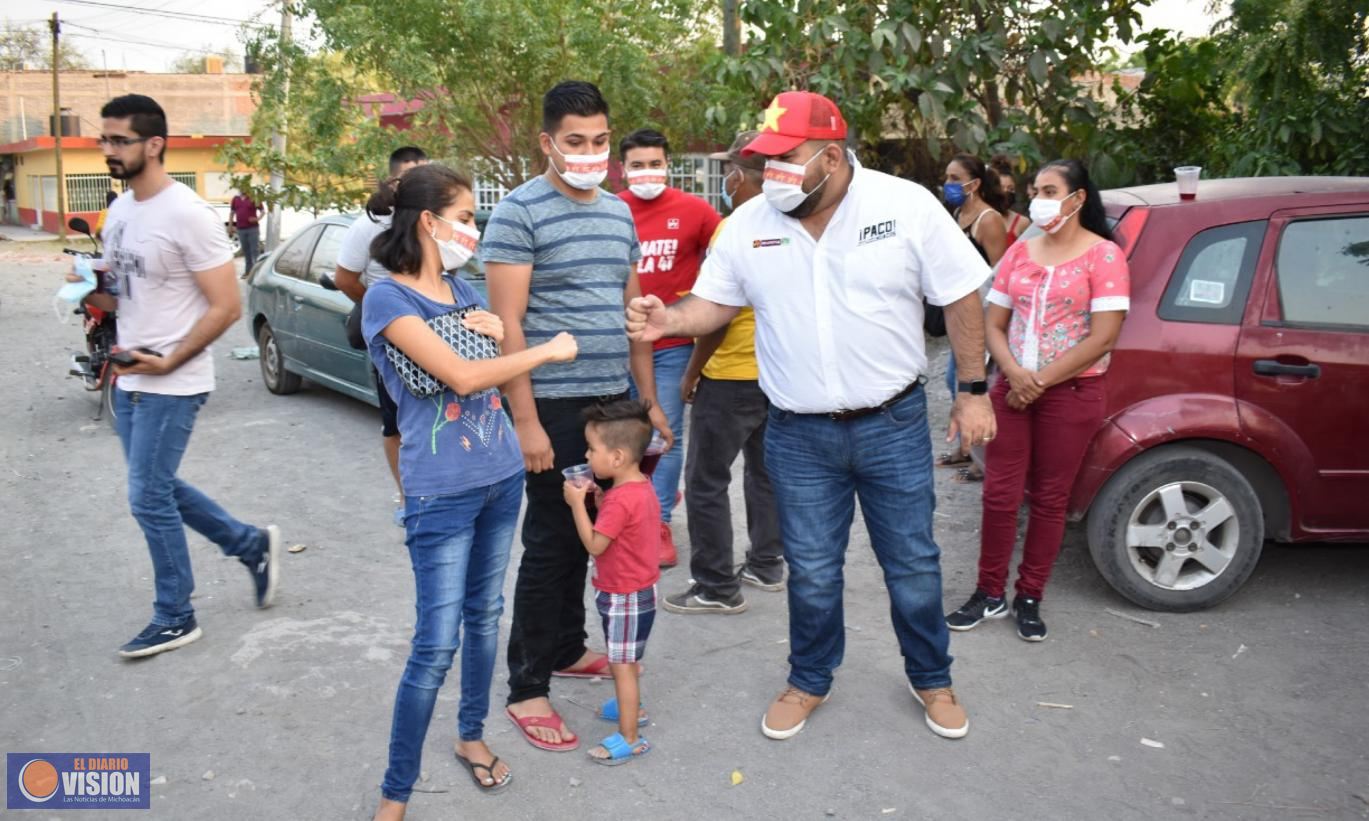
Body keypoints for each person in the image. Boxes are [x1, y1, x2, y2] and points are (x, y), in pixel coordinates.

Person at [627, 91, 997, 742]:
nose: (770, 173)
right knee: (812, 567)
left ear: (830, 156)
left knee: (911, 560)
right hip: (796, 432)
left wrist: (970, 388)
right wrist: (669, 318)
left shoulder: (902, 205)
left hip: (892, 422)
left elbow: (960, 293)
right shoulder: (748, 223)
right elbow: (711, 303)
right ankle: (809, 678)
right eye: (762, 160)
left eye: (784, 159)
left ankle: (931, 676)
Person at [363, 164, 578, 819]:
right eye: (464, 216)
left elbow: (484, 358)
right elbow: (460, 376)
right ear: (429, 222)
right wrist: (540, 351)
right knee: (434, 644)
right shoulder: (388, 299)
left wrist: (494, 337)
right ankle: (394, 795)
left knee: (484, 618)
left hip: (498, 477)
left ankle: (471, 735)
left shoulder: (460, 288)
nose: (472, 229)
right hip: (442, 493)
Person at [483, 80, 671, 753]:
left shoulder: (619, 212)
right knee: (554, 542)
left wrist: (646, 402)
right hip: (554, 408)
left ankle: (565, 646)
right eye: (575, 143)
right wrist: (526, 420)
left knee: (599, 533)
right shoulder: (517, 212)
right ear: (546, 142)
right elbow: (508, 323)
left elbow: (634, 312)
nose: (590, 154)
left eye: (599, 142)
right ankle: (526, 686)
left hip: (610, 402)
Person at [82, 94, 281, 658]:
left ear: (154, 144)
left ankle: (175, 613)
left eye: (119, 140)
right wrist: (88, 291)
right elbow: (125, 291)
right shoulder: (121, 211)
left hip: (175, 379)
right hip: (131, 374)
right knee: (160, 488)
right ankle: (250, 546)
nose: (108, 150)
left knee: (146, 497)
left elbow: (225, 306)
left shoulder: (187, 213)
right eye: (104, 139)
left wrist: (171, 359)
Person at [946, 159, 1129, 642]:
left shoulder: (1104, 256)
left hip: (1071, 391)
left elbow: (1104, 336)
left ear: (1078, 199)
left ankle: (1030, 595)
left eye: (1050, 190)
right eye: (1035, 190)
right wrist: (1012, 374)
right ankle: (989, 593)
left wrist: (1040, 380)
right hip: (1013, 387)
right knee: (1000, 494)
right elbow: (993, 322)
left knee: (1049, 500)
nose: (1039, 198)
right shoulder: (1020, 254)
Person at [665, 130, 784, 615]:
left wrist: (693, 371)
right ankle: (767, 562)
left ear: (740, 176)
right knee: (764, 473)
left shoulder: (734, 229)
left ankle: (715, 585)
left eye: (729, 171)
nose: (725, 180)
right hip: (777, 373)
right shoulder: (795, 225)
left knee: (706, 480)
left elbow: (717, 312)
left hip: (731, 373)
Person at [617, 128, 723, 567]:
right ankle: (622, 512)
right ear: (621, 169)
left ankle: (656, 521)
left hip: (671, 341)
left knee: (664, 432)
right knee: (619, 433)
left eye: (655, 163)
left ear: (668, 164)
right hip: (613, 343)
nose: (647, 172)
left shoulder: (696, 212)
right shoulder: (611, 210)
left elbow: (726, 262)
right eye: (637, 165)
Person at [335, 146, 430, 526]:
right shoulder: (369, 226)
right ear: (391, 180)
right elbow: (344, 278)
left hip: (435, 330)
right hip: (391, 345)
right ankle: (409, 498)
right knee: (397, 423)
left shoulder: (433, 221)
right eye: (407, 177)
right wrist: (381, 311)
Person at [562, 399, 661, 765]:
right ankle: (630, 706)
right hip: (637, 590)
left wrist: (577, 504)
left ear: (617, 457)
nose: (587, 456)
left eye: (592, 449)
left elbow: (594, 545)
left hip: (625, 596)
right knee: (627, 659)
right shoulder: (638, 487)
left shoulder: (621, 501)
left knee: (622, 664)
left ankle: (631, 736)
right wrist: (601, 500)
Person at [938, 153, 1011, 484]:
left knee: (971, 384)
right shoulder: (957, 214)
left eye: (955, 178)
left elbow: (1003, 274)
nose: (948, 184)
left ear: (975, 183)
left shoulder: (988, 220)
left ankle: (982, 457)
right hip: (962, 314)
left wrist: (996, 324)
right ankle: (968, 448)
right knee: (954, 381)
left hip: (982, 315)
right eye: (947, 178)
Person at [229, 189, 263, 274]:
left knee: (255, 251)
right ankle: (248, 271)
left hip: (253, 229)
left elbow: (262, 211)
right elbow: (232, 213)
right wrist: (230, 226)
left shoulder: (253, 198)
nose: (243, 188)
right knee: (246, 251)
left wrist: (257, 219)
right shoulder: (235, 199)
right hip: (240, 229)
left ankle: (257, 272)